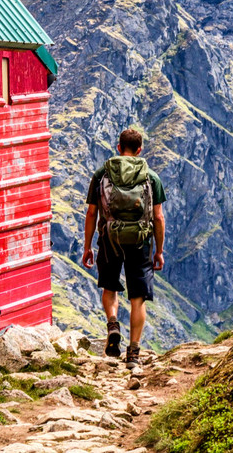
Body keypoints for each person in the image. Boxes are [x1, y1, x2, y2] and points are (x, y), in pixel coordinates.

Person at [81, 127, 167, 369]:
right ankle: (134, 354)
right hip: (141, 242)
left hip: (109, 239)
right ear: (139, 150)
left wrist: (88, 246)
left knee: (110, 288)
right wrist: (158, 251)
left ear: (118, 148)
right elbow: (158, 218)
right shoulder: (151, 177)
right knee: (138, 298)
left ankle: (112, 324)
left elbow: (91, 212)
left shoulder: (102, 174)